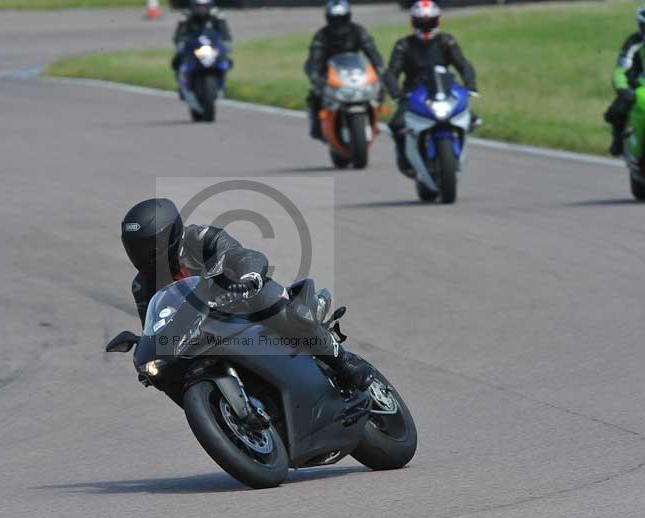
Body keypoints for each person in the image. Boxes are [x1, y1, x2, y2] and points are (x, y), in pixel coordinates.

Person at [121, 198, 375, 391]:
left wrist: (249, 278)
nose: (141, 256)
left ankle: (344, 361)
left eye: (148, 247)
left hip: (243, 299)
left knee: (275, 306)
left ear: (170, 236)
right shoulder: (142, 285)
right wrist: (146, 353)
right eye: (134, 249)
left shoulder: (200, 237)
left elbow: (241, 256)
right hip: (203, 330)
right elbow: (153, 326)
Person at [384, 0, 478, 173]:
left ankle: (456, 153)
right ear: (413, 22)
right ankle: (404, 159)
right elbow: (391, 72)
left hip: (444, 90)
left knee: (472, 119)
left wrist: (471, 86)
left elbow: (463, 65)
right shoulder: (403, 45)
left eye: (430, 22)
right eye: (421, 22)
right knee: (396, 125)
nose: (426, 26)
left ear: (438, 21)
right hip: (414, 93)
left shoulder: (446, 41)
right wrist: (397, 95)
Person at [304, 0, 387, 140]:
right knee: (315, 95)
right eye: (335, 19)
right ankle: (317, 126)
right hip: (330, 74)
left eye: (341, 19)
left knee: (379, 88)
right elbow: (314, 59)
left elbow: (372, 51)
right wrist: (315, 76)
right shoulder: (322, 35)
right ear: (328, 18)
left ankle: (374, 119)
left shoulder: (358, 31)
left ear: (348, 16)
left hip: (355, 72)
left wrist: (379, 68)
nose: (338, 23)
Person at [604, 5, 645, 156]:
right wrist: (623, 89)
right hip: (640, 86)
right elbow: (620, 70)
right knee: (621, 106)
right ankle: (618, 139)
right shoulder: (634, 42)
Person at [171, 0, 232, 76]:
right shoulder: (187, 15)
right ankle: (182, 79)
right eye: (199, 6)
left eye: (204, 6)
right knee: (178, 60)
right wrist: (180, 43)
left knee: (226, 59)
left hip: (211, 47)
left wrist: (226, 43)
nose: (202, 9)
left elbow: (225, 33)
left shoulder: (217, 15)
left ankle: (221, 79)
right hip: (193, 47)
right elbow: (179, 34)